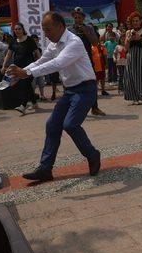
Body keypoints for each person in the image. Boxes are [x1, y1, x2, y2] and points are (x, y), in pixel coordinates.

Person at [6, 12, 101, 182]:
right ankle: (45, 169)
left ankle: (92, 155)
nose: (46, 34)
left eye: (48, 29)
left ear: (60, 26)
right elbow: (40, 62)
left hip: (85, 89)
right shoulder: (53, 44)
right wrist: (21, 73)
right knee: (52, 125)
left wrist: (26, 73)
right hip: (70, 90)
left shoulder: (74, 42)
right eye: (44, 30)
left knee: (70, 125)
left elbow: (58, 64)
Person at [69, 7, 106, 116]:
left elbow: (95, 43)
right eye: (75, 17)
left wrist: (86, 32)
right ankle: (74, 109)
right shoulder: (70, 30)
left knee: (91, 83)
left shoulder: (89, 28)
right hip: (73, 61)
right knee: (74, 84)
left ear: (83, 18)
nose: (77, 19)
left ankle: (95, 108)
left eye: (79, 17)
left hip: (87, 61)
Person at [1, 23, 41, 115]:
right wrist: (4, 66)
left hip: (29, 67)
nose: (17, 31)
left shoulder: (29, 40)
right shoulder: (13, 41)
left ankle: (23, 106)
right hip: (17, 68)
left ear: (23, 30)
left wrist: (40, 64)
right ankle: (34, 103)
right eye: (15, 29)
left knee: (25, 84)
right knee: (27, 86)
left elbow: (37, 52)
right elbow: (8, 54)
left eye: (19, 29)